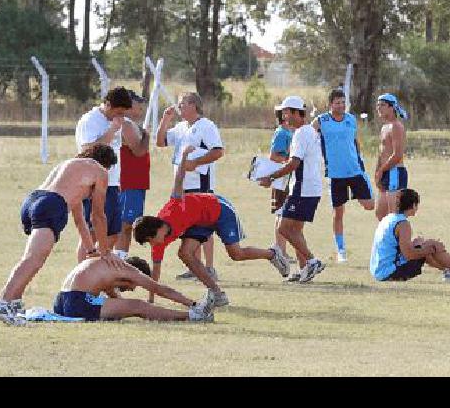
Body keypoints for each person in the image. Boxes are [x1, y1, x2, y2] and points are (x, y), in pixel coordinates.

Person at [134, 146, 289, 307]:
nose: (152, 245)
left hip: (219, 210)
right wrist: (150, 301)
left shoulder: (174, 208)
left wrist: (185, 156)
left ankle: (272, 254)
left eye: (151, 240)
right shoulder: (160, 242)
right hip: (199, 223)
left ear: (157, 230)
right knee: (185, 253)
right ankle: (217, 293)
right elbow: (155, 276)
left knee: (236, 254)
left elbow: (179, 178)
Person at [0, 144, 118, 326]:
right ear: (107, 164)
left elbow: (80, 221)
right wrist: (105, 251)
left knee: (31, 258)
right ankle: (2, 303)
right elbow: (97, 216)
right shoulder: (100, 171)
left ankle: (14, 305)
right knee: (33, 259)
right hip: (51, 206)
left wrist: (91, 249)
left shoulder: (70, 167)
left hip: (32, 201)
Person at [258, 96, 326, 283]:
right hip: (309, 188)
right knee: (295, 229)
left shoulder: (301, 134)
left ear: (298, 113)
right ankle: (305, 269)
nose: (284, 115)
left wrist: (270, 177)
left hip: (302, 189)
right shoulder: (308, 131)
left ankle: (312, 261)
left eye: (287, 111)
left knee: (284, 228)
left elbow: (293, 164)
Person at [157, 92, 224, 282]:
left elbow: (218, 151)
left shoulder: (206, 126)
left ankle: (209, 268)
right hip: (183, 186)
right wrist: (165, 119)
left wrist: (197, 163)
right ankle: (195, 266)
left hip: (200, 184)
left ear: (194, 105)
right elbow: (160, 142)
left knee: (204, 225)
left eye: (182, 104)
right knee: (190, 226)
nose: (179, 107)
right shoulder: (180, 127)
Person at [369, 188, 450, 283]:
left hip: (379, 271)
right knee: (432, 245)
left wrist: (420, 246)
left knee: (423, 243)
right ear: (414, 205)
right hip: (390, 273)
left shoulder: (389, 218)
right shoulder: (403, 224)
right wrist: (428, 249)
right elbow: (409, 255)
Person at [313, 88, 374, 263]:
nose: (341, 105)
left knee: (370, 205)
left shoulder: (350, 119)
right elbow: (308, 135)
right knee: (338, 213)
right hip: (335, 174)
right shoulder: (322, 120)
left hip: (354, 170)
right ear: (330, 104)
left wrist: (360, 159)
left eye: (343, 102)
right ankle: (341, 250)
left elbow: (354, 141)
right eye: (337, 102)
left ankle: (361, 189)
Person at [53, 256, 212, 322]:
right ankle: (192, 316)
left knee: (130, 305)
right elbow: (160, 289)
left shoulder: (107, 267)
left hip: (60, 302)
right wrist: (192, 304)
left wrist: (123, 306)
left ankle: (192, 314)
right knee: (138, 305)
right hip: (78, 302)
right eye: (134, 285)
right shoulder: (128, 270)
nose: (132, 289)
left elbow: (112, 294)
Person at [75, 86, 133, 257]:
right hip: (93, 184)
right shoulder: (90, 121)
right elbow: (87, 149)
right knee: (92, 233)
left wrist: (117, 182)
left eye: (123, 113)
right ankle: (82, 276)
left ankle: (98, 269)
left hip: (112, 183)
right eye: (118, 111)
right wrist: (112, 131)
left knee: (113, 232)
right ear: (108, 104)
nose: (120, 116)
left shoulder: (115, 122)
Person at [114, 91, 150, 260]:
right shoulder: (126, 125)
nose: (141, 107)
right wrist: (147, 136)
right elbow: (139, 151)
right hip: (130, 181)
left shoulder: (130, 124)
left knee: (128, 223)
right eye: (138, 103)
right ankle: (119, 259)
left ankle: (122, 257)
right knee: (125, 224)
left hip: (136, 181)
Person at [374, 93, 408, 221]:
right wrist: (378, 171)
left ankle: (401, 240)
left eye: (382, 105)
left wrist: (382, 169)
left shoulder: (396, 126)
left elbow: (397, 155)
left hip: (395, 173)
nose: (379, 108)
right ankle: (387, 240)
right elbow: (381, 152)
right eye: (378, 105)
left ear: (392, 107)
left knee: (394, 217)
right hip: (385, 172)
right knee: (380, 214)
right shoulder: (384, 127)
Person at [269, 104, 295, 262]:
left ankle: (281, 249)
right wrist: (291, 161)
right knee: (281, 213)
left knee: (285, 213)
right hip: (281, 178)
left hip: (289, 178)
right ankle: (280, 250)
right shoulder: (281, 133)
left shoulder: (289, 132)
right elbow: (273, 156)